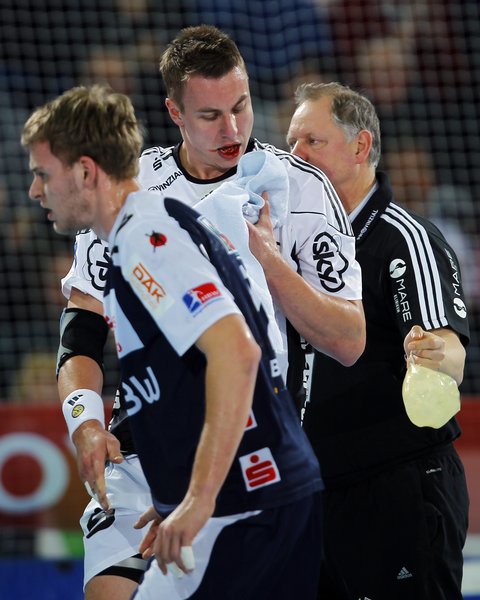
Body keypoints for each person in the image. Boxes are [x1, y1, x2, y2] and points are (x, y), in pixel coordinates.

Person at [47, 25, 365, 600]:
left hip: (253, 452)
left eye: (240, 107)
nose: (232, 130)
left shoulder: (300, 188)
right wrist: (85, 421)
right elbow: (82, 326)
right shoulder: (130, 189)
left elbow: (349, 339)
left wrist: (269, 261)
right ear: (175, 112)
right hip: (145, 450)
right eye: (210, 115)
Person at [287, 82, 470, 600]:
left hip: (396, 485)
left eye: (312, 142)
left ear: (360, 147)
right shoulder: (289, 240)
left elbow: (450, 352)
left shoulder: (405, 239)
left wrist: (436, 354)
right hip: (314, 488)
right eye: (291, 141)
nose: (294, 155)